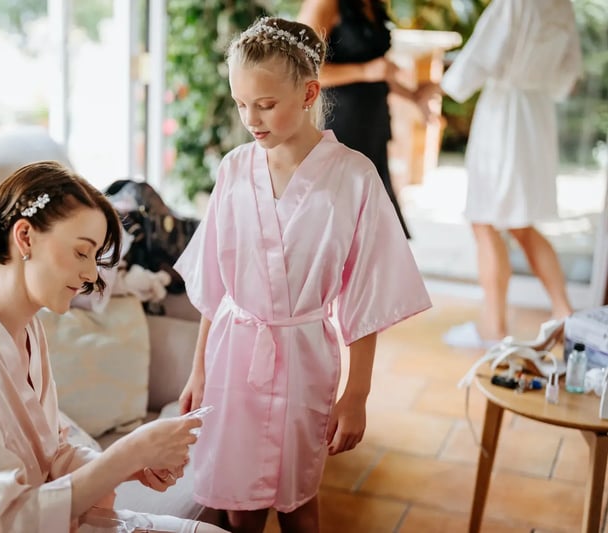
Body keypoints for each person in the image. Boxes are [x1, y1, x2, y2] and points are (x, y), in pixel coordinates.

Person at [174, 17, 431, 533]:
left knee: (298, 500)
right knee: (238, 504)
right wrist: (198, 369)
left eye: (265, 104)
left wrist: (356, 395)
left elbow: (370, 293)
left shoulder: (354, 177)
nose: (251, 118)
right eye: (241, 103)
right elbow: (214, 284)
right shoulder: (233, 170)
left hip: (304, 356)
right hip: (234, 354)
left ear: (310, 91)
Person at [0, 161, 228, 533]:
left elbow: (50, 456)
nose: (93, 275)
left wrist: (134, 464)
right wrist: (128, 452)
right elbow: (3, 518)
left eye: (95, 258)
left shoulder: (27, 327)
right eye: (82, 252)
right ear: (26, 236)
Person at [438, 0, 581, 348]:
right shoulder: (562, 6)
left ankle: (493, 329)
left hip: (505, 115)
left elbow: (481, 55)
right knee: (520, 221)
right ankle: (564, 313)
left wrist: (443, 87)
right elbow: (569, 73)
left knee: (485, 219)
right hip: (537, 112)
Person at [298, 0, 434, 239]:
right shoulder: (324, 3)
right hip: (337, 123)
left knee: (372, 223)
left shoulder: (372, 3)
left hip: (373, 121)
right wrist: (365, 71)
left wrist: (414, 96)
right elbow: (300, 68)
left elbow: (379, 70)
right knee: (337, 220)